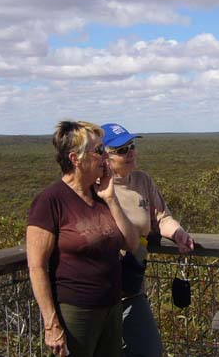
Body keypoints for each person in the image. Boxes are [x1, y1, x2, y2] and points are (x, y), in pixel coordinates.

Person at [27, 121, 139, 357]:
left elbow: (131, 243)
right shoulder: (50, 201)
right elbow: (37, 266)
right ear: (75, 159)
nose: (104, 157)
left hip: (111, 305)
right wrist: (51, 323)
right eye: (98, 151)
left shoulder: (100, 194)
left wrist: (110, 199)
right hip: (76, 311)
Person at [100, 123, 195, 357]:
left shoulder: (142, 180)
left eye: (132, 146)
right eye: (122, 150)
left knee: (149, 350)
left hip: (132, 286)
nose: (130, 153)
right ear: (104, 157)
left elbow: (161, 216)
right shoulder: (95, 189)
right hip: (101, 292)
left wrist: (177, 233)